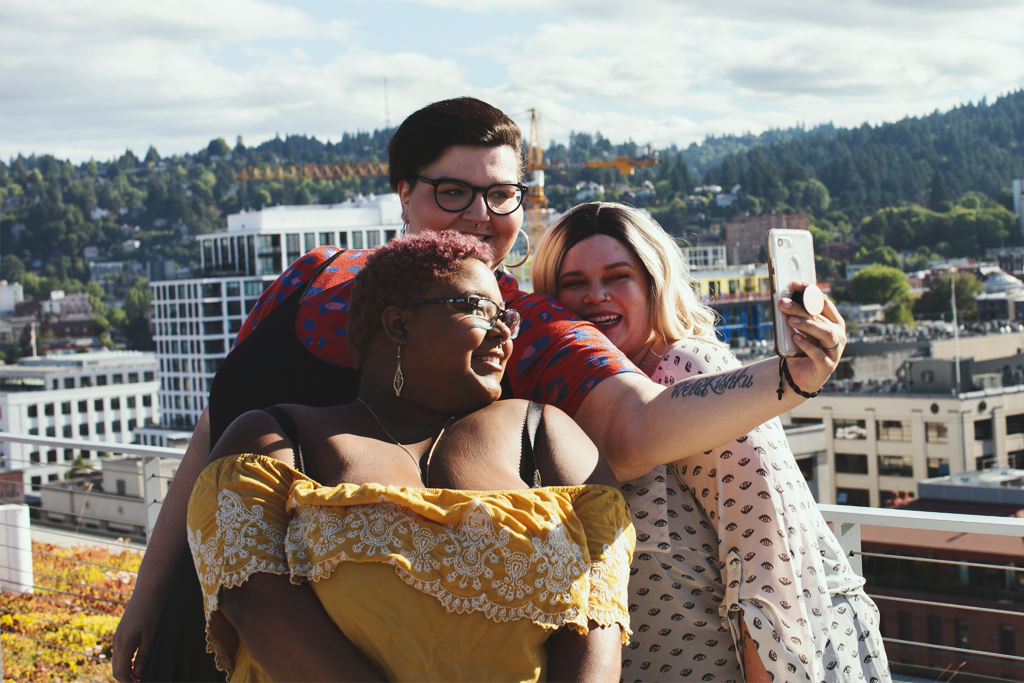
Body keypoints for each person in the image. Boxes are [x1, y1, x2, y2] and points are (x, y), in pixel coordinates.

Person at [113, 97, 846, 682]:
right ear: (403, 193)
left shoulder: (520, 323)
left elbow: (638, 425)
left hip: (365, 644)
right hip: (217, 600)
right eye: (454, 190)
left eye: (503, 196)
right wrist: (148, 595)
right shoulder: (310, 276)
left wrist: (791, 375)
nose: (482, 215)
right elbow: (212, 435)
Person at [187, 231, 633, 682]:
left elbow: (599, 616)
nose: (503, 333)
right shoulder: (275, 440)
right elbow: (256, 604)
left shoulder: (543, 436)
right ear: (398, 324)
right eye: (480, 309)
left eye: (508, 318)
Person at [532, 201, 889, 683]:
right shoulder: (567, 402)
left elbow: (769, 562)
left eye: (617, 277)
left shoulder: (687, 368)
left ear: (654, 286)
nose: (596, 296)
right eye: (574, 283)